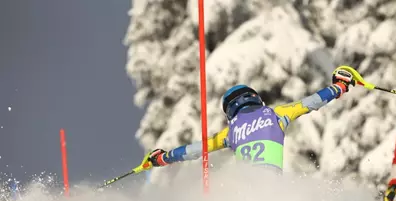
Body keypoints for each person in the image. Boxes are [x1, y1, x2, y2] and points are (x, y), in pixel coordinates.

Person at [145, 67, 355, 171]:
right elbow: (311, 102)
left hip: (247, 197)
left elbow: (194, 150)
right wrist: (339, 87)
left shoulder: (230, 132)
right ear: (256, 99)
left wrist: (165, 157)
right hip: (273, 192)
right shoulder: (276, 114)